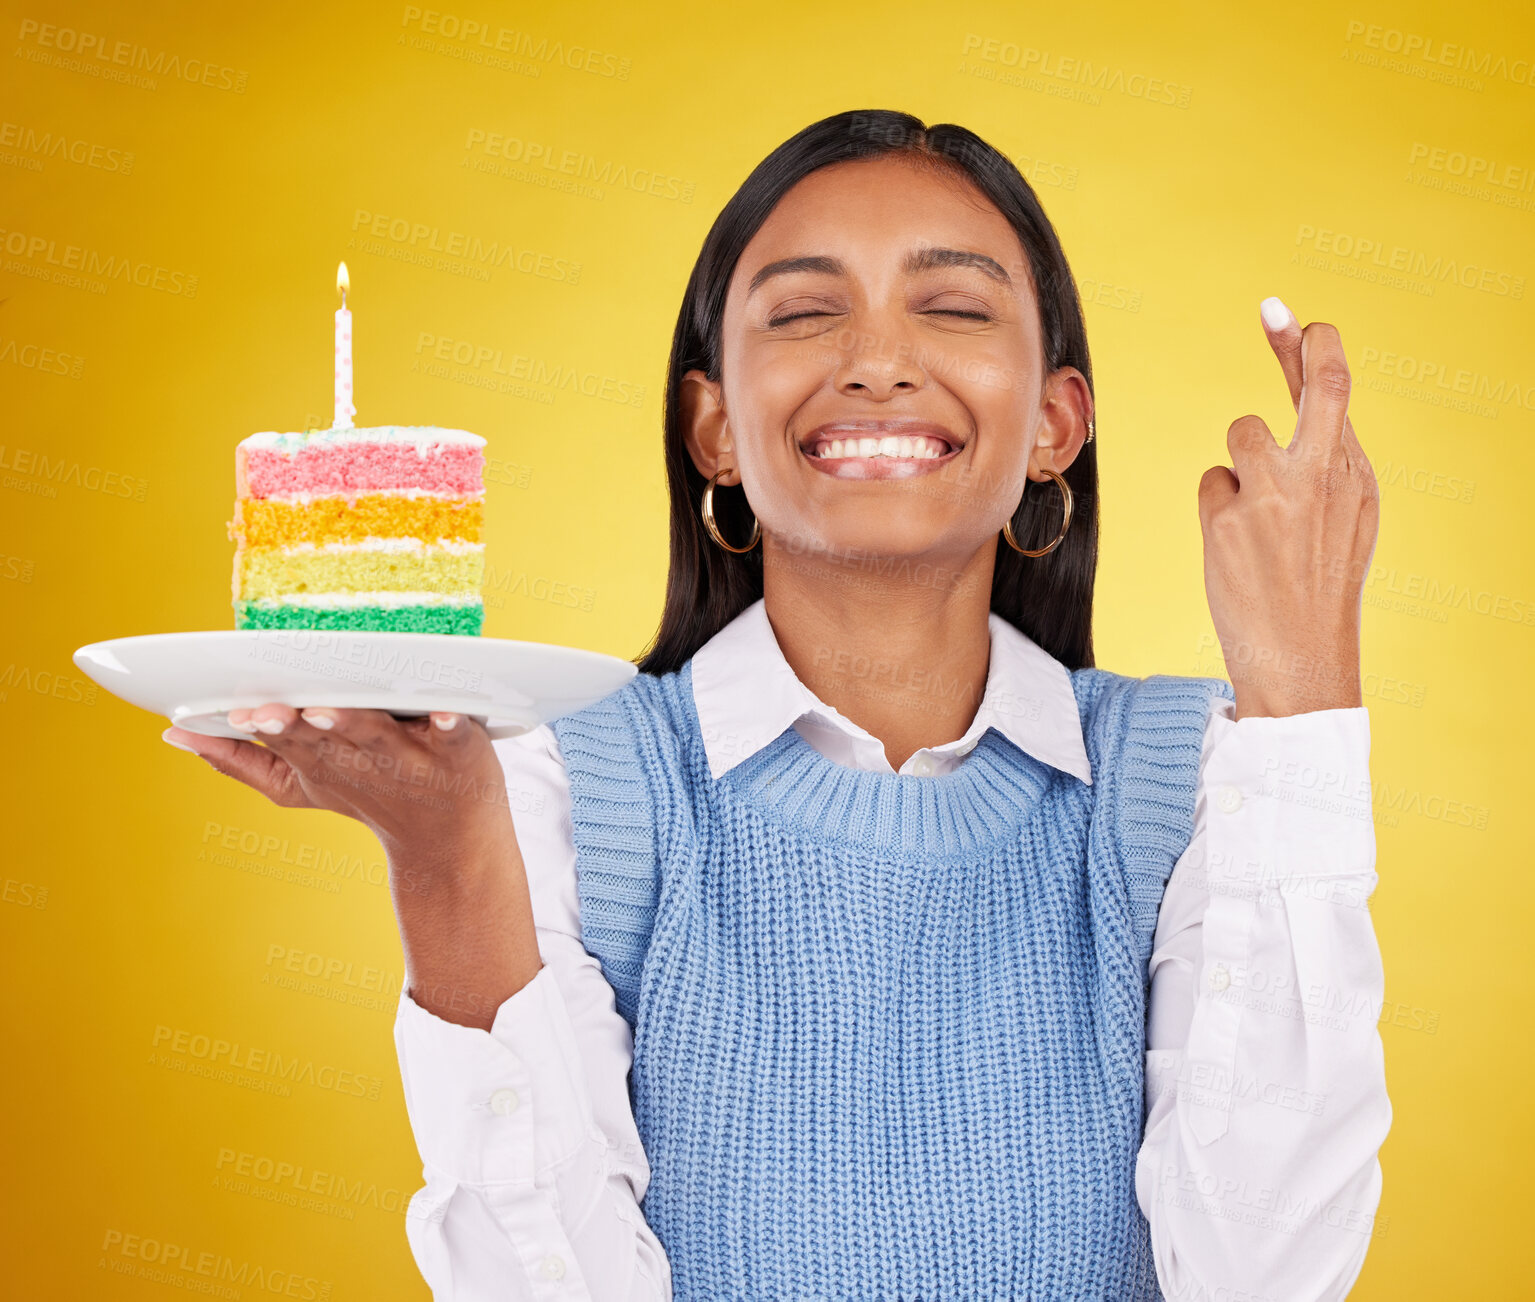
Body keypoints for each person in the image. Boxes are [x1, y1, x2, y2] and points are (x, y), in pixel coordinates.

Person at [163, 109, 1390, 1301]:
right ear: (713, 430)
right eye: (803, 314)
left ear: (1053, 427)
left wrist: (1301, 691)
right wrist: (443, 865)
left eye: (953, 308)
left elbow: (1262, 1274)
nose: (874, 360)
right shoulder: (558, 786)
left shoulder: (1189, 783)